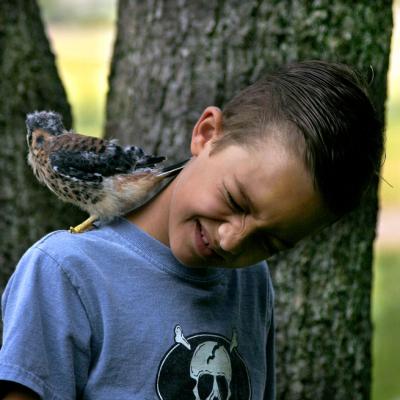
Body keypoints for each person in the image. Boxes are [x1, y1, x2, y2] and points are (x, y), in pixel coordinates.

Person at [0, 60, 383, 400]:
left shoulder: (250, 281)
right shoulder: (65, 273)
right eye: (235, 200)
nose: (232, 241)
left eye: (270, 241)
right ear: (206, 134)